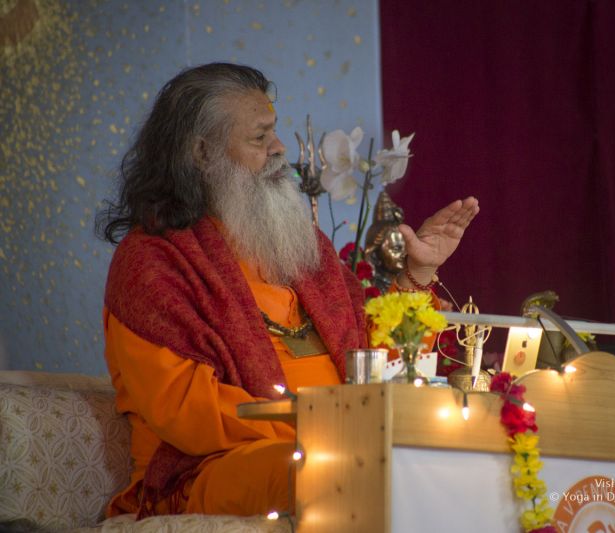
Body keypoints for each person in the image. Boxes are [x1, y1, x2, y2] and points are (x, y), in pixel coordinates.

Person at [96, 62, 479, 519]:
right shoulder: (152, 264)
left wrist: (419, 271)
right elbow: (188, 413)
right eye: (259, 138)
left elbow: (376, 368)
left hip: (344, 438)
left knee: (470, 451)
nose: (279, 148)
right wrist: (326, 424)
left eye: (274, 132)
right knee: (335, 467)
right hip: (211, 469)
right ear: (202, 152)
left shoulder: (298, 246)